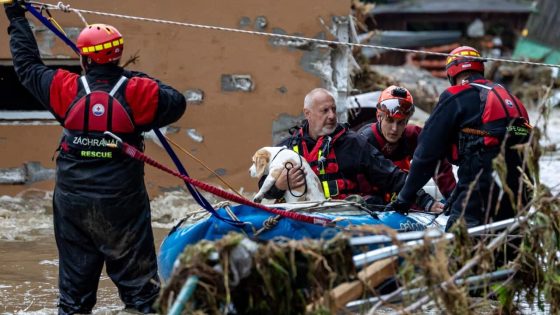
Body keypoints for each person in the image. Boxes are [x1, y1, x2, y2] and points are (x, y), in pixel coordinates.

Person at [4, 3, 186, 314]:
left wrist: (16, 17)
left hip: (73, 205)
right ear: (119, 53)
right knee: (143, 298)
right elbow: (176, 101)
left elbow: (26, 66)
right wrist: (128, 76)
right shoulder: (138, 90)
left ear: (84, 58)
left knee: (74, 302)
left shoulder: (64, 87)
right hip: (122, 206)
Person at [386, 46, 531, 230]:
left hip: (480, 191)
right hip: (520, 193)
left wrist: (404, 199)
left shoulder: (456, 95)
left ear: (452, 73)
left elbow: (425, 153)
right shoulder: (511, 98)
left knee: (459, 246)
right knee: (507, 252)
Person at [261, 88, 437, 211]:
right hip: (299, 215)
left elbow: (391, 176)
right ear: (307, 113)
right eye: (325, 110)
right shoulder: (287, 147)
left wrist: (426, 200)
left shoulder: (352, 143)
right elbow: (263, 186)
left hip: (343, 216)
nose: (332, 116)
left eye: (334, 109)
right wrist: (278, 185)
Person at [358, 86, 456, 210]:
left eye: (401, 122)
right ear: (379, 117)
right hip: (373, 203)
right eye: (390, 120)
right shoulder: (364, 140)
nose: (394, 129)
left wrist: (452, 196)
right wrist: (425, 201)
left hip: (404, 199)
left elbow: (438, 164)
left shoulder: (413, 135)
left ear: (407, 121)